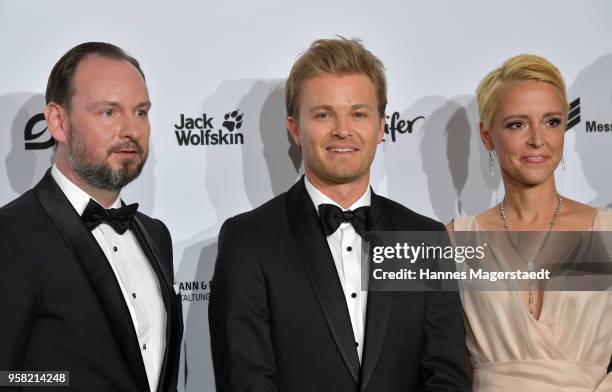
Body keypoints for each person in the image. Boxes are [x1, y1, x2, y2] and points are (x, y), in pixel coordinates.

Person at [209, 36, 470, 392]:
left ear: (380, 128)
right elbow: (245, 380)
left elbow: (447, 374)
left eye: (359, 114)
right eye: (323, 114)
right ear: (294, 129)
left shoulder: (422, 237)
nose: (342, 130)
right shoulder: (250, 239)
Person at [0, 42, 183, 392]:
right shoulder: (11, 236)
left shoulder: (155, 235)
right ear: (58, 121)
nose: (131, 129)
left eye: (141, 112)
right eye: (108, 112)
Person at [448, 54, 612, 391]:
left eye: (551, 122)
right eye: (517, 124)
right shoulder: (453, 241)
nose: (538, 139)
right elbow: (440, 365)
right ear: (487, 136)